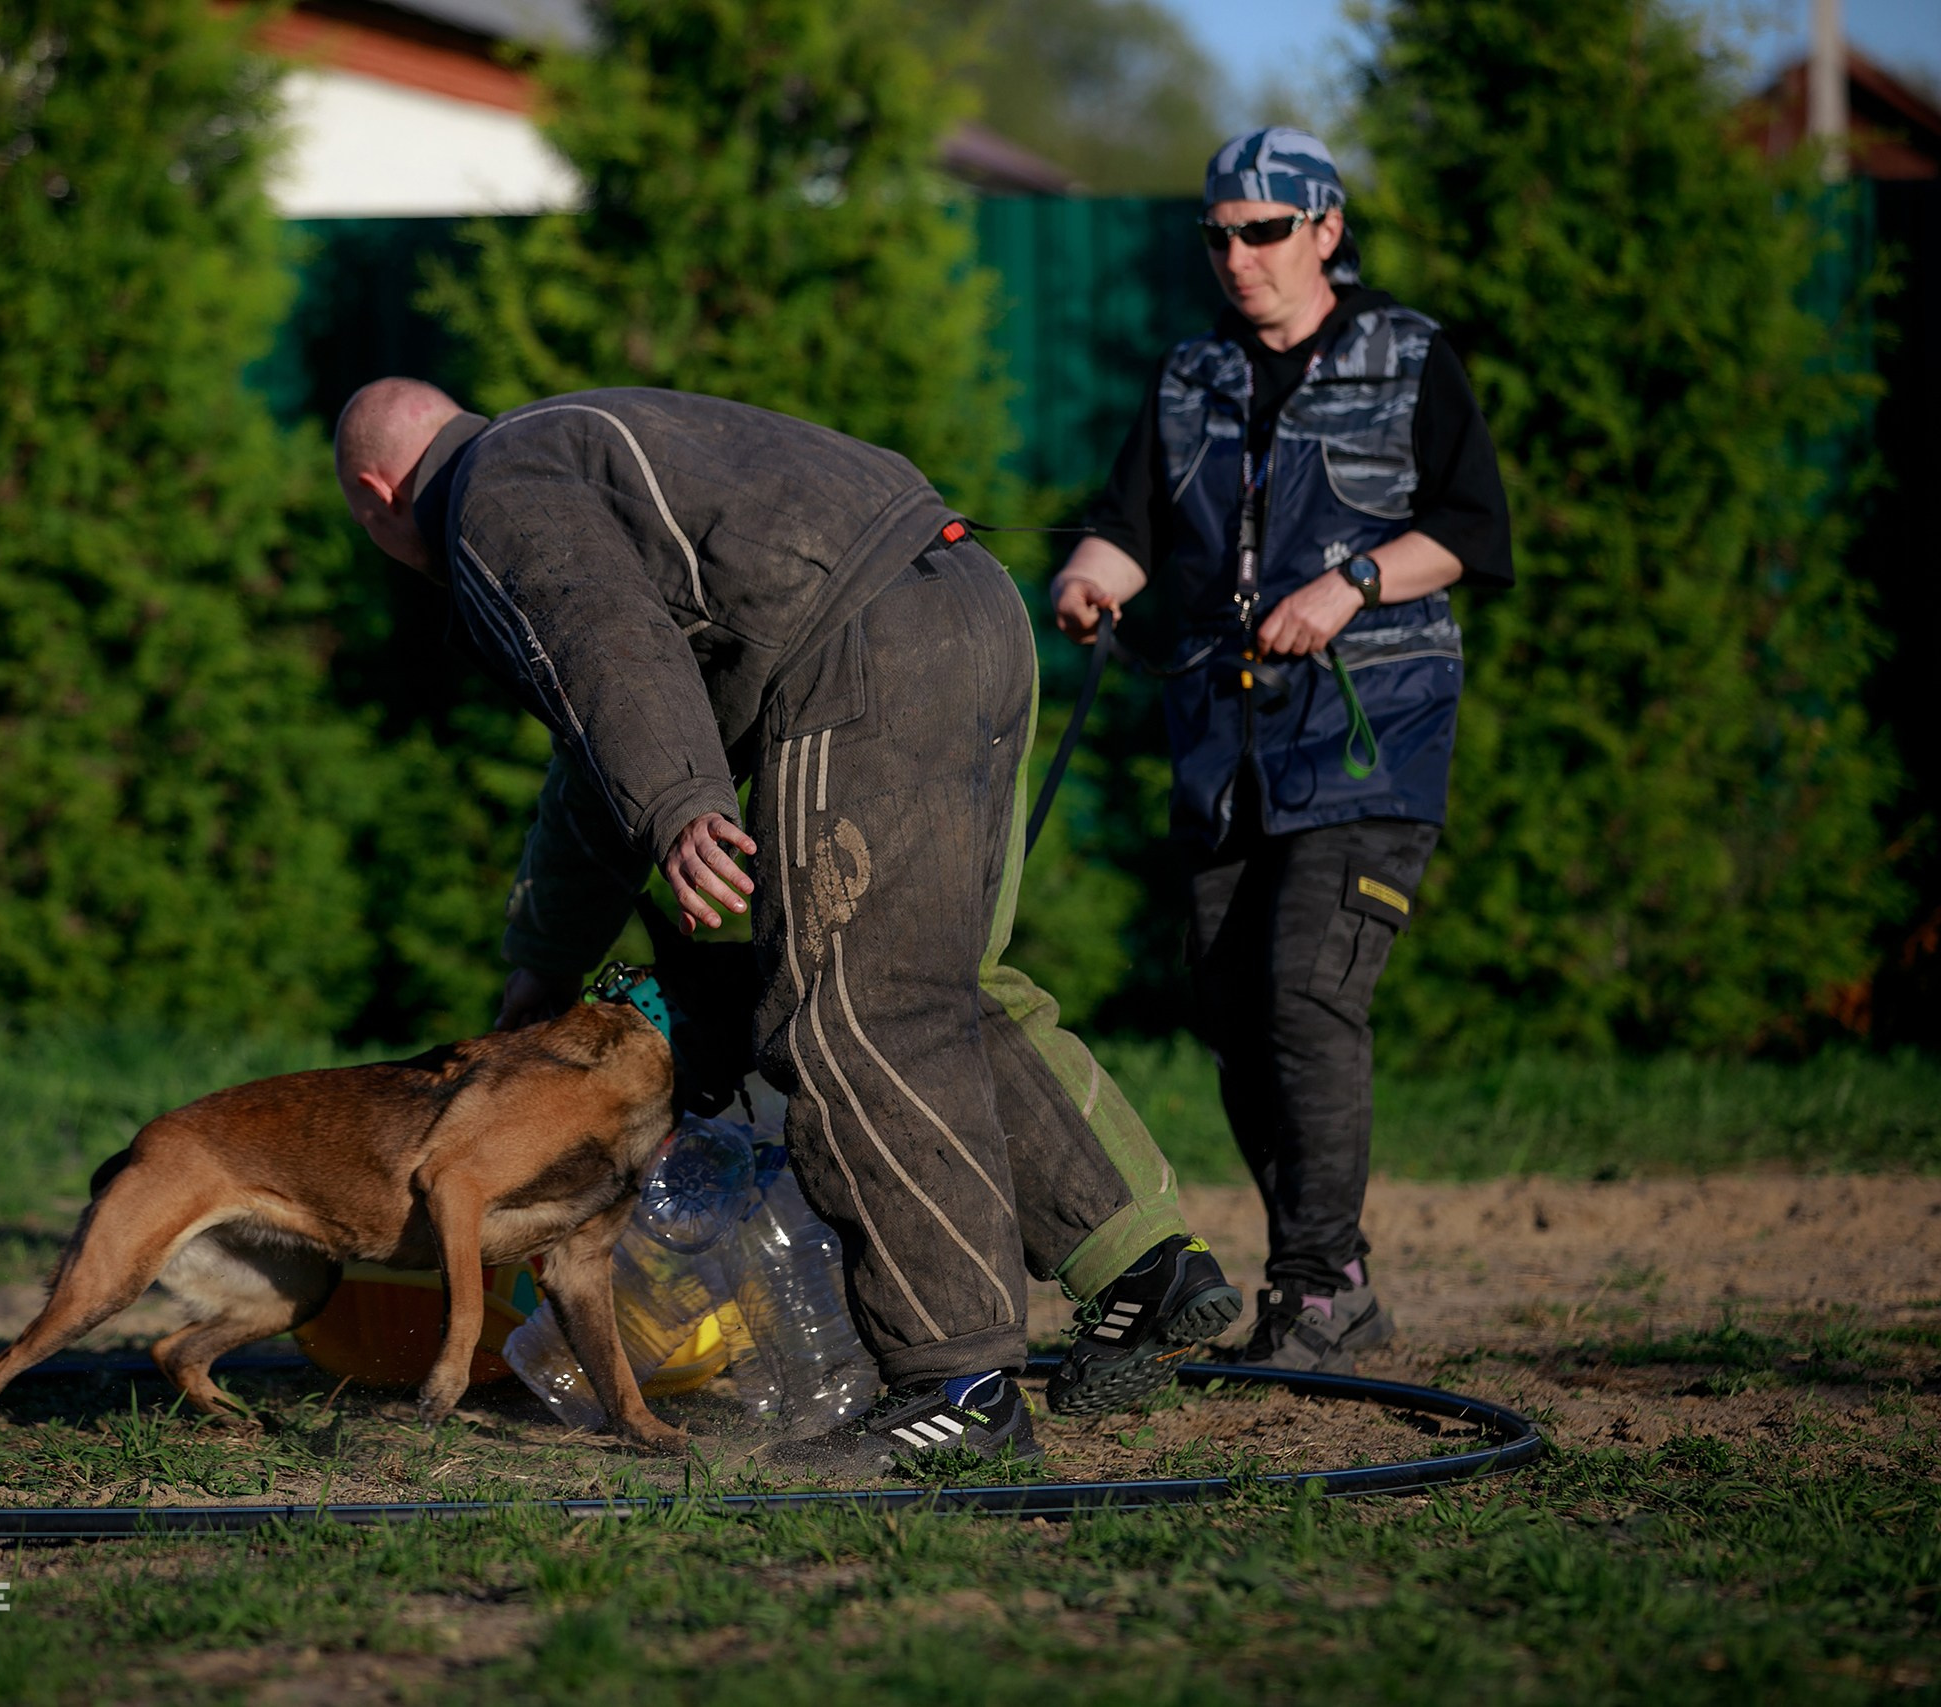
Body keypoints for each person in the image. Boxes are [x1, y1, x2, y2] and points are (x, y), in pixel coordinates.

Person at [335, 378, 1242, 1474]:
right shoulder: (575, 438)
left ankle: (957, 1387)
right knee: (942, 981)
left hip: (865, 654)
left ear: (379, 496)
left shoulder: (491, 491)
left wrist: (677, 803)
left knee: (848, 1017)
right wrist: (546, 958)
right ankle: (1143, 1264)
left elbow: (605, 641)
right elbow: (591, 755)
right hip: (969, 610)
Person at [1049, 128, 1513, 1371]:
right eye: (1219, 234)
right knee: (1234, 1012)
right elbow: (1127, 525)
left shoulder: (1408, 358)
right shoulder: (1188, 375)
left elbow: (1470, 527)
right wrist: (1093, 579)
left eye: (1263, 230)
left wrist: (1352, 580)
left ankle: (1320, 1288)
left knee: (1305, 992)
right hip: (1222, 748)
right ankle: (1322, 1275)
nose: (1238, 256)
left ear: (1324, 230)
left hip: (1370, 741)